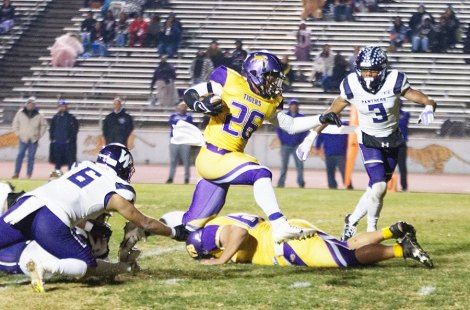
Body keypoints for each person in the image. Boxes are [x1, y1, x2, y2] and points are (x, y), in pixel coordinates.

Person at [181, 51, 341, 243]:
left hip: (228, 159)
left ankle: (149, 227)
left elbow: (289, 125)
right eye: (270, 78)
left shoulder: (269, 102)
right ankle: (280, 225)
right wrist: (200, 105)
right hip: (213, 155)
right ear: (256, 73)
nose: (274, 84)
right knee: (260, 173)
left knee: (190, 226)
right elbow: (190, 93)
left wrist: (321, 118)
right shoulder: (229, 80)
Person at [0, 143, 188, 292]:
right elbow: (145, 222)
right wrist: (174, 232)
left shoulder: (83, 166)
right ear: (122, 166)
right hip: (52, 219)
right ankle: (44, 267)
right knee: (87, 265)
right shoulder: (117, 189)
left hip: (28, 203)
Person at [302, 46, 437, 241]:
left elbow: (424, 98)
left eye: (373, 70)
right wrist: (312, 135)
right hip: (369, 139)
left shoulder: (394, 80)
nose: (368, 75)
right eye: (365, 70)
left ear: (382, 69)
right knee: (380, 186)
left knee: (375, 189)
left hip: (392, 139)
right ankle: (371, 230)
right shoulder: (351, 84)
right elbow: (332, 111)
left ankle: (352, 220)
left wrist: (429, 107)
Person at [183, 212, 433, 269]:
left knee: (346, 259)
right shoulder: (221, 220)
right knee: (345, 246)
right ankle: (393, 230)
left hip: (288, 245)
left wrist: (221, 260)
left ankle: (402, 250)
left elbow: (238, 234)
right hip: (291, 233)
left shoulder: (209, 235)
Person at [275, 99, 308, 188]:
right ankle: (281, 182)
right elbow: (278, 128)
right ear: (289, 106)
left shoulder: (301, 117)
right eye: (292, 105)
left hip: (297, 145)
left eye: (295, 105)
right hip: (285, 144)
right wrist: (282, 139)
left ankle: (301, 182)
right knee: (283, 165)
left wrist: (301, 139)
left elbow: (305, 130)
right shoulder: (284, 116)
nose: (294, 107)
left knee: (299, 165)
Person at [12, 97, 47, 179]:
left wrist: (39, 135)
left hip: (33, 139)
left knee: (31, 157)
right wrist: (18, 134)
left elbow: (44, 126)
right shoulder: (20, 113)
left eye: (32, 103)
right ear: (26, 104)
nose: (30, 105)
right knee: (20, 155)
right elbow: (15, 124)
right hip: (23, 138)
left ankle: (29, 174)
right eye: (29, 103)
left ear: (34, 105)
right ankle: (16, 173)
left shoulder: (39, 114)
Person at [314, 114, 349, 189]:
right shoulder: (325, 127)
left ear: (340, 116)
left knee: (344, 171)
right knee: (330, 172)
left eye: (338, 115)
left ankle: (348, 185)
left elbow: (351, 136)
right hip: (329, 153)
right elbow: (320, 138)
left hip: (341, 153)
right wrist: (317, 148)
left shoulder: (345, 125)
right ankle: (332, 186)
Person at [48, 99, 79, 176]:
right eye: (60, 106)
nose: (62, 108)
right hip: (57, 143)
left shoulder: (71, 118)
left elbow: (75, 129)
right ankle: (57, 175)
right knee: (57, 161)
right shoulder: (55, 117)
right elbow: (51, 129)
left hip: (68, 144)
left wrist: (70, 139)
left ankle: (70, 175)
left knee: (70, 161)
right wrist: (53, 138)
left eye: (63, 106)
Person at [166, 102, 194, 184]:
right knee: (173, 160)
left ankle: (186, 178)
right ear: (178, 107)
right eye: (181, 106)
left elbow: (188, 126)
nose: (183, 107)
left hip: (185, 141)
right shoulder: (173, 115)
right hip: (174, 140)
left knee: (186, 161)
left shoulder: (188, 116)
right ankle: (170, 177)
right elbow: (172, 125)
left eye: (184, 106)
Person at [397, 103, 410, 191]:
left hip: (401, 143)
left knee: (402, 166)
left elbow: (402, 123)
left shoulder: (405, 114)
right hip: (390, 143)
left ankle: (404, 186)